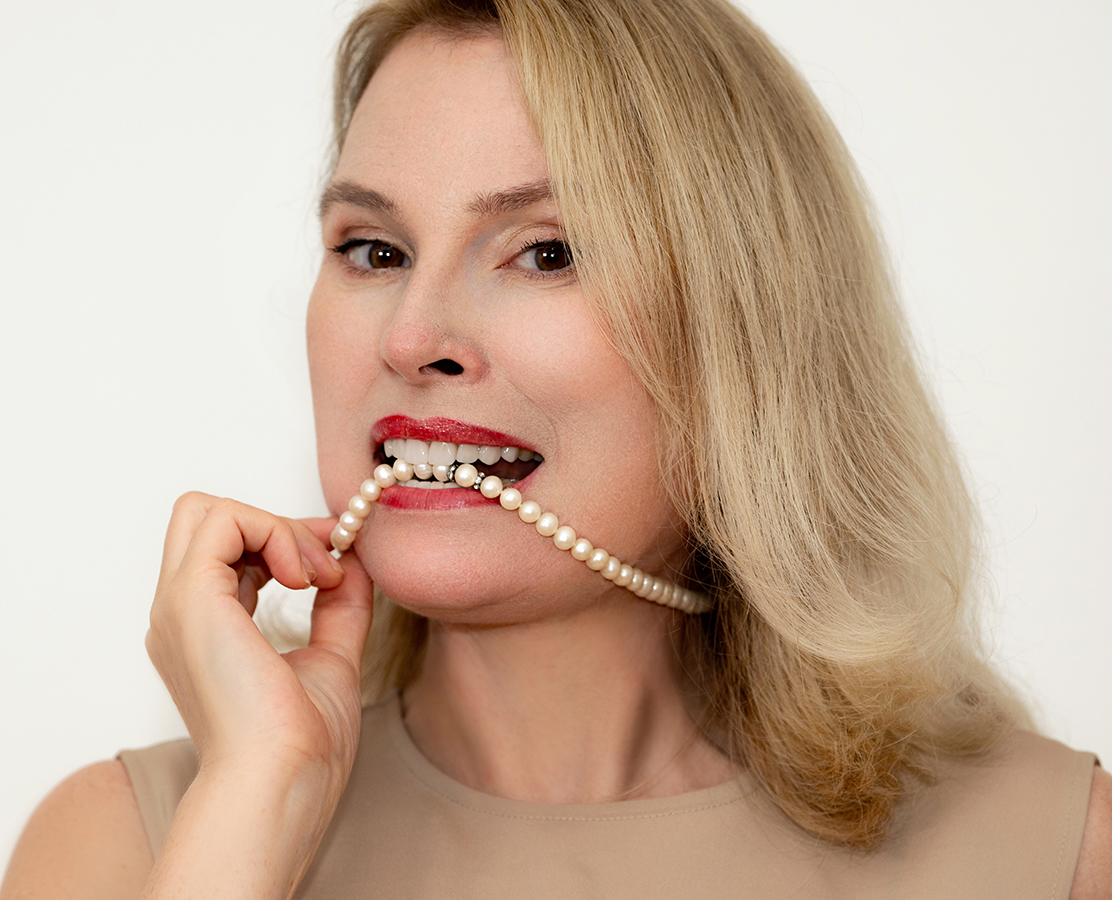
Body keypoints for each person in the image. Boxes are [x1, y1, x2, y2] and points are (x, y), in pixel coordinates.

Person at [2, 0, 1109, 897]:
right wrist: (252, 814)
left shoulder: (1055, 855)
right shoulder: (128, 848)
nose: (411, 338)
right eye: (375, 249)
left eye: (546, 253)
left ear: (746, 331)